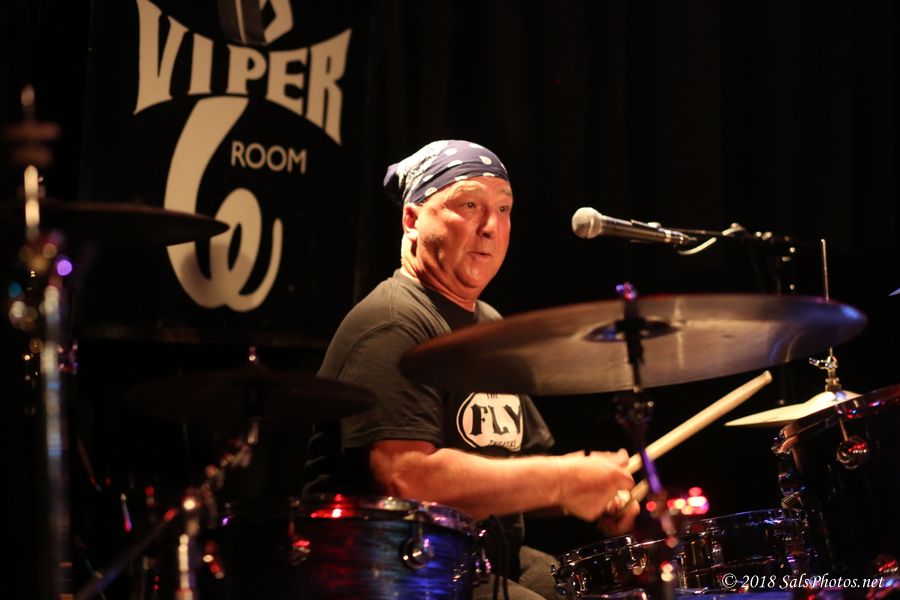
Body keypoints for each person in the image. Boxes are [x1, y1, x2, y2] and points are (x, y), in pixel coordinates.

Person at [305, 140, 639, 599]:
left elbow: (519, 469)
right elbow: (407, 477)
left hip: (481, 561)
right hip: (400, 573)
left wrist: (591, 491)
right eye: (469, 205)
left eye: (503, 209)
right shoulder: (392, 324)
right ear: (411, 220)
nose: (491, 227)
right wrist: (563, 480)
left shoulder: (489, 325)